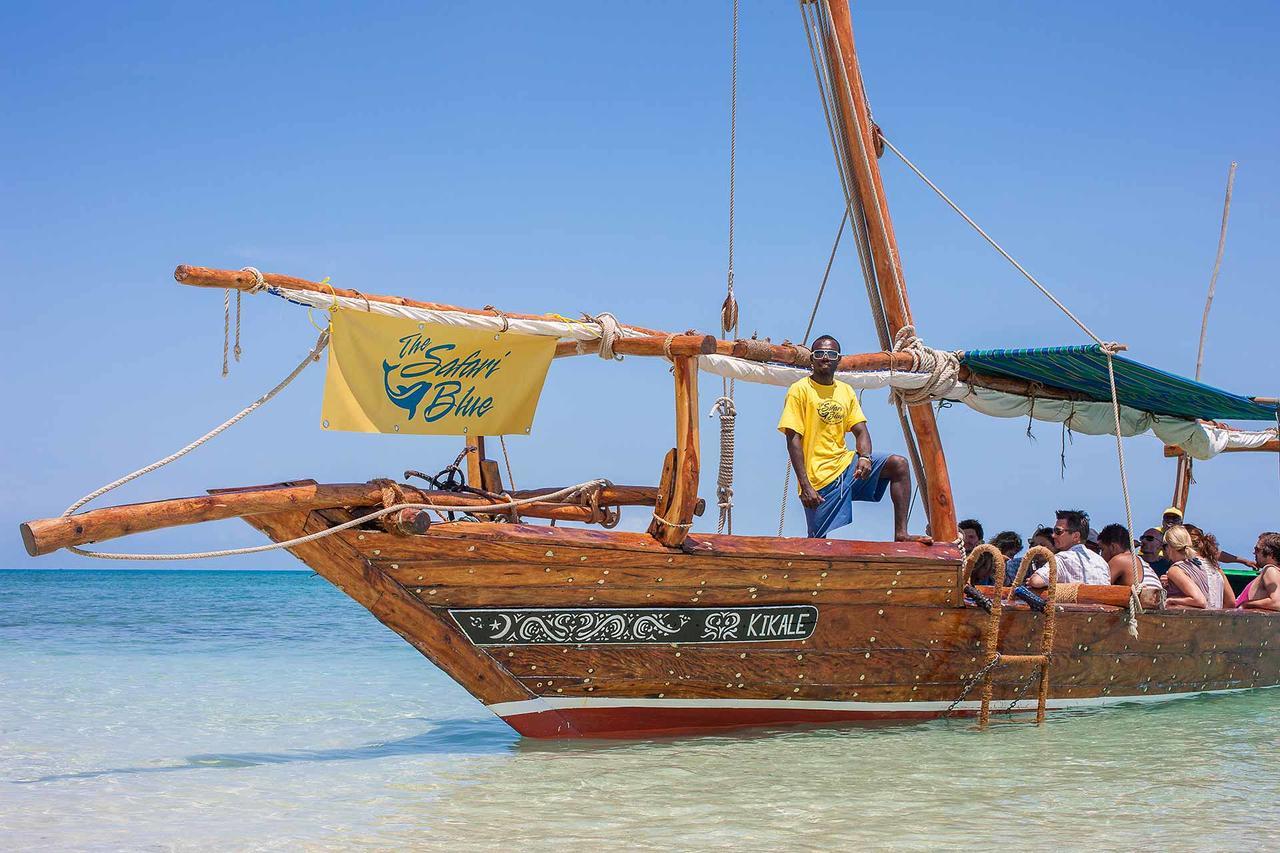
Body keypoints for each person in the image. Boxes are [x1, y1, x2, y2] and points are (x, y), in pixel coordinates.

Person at [778, 334, 929, 542]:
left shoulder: (845, 391)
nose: (825, 358)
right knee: (816, 541)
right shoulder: (799, 390)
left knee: (899, 465)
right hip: (818, 478)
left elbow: (861, 430)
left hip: (846, 465)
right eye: (819, 353)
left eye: (831, 354)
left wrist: (865, 457)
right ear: (811, 359)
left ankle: (901, 533)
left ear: (838, 359)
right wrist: (805, 485)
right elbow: (793, 439)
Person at [1028, 509, 1110, 588]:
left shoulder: (1063, 558)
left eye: (1058, 531)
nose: (1053, 535)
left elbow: (1036, 581)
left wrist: (1032, 579)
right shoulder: (1102, 562)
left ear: (1075, 536)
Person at [1161, 524, 1229, 609]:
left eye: (1164, 546)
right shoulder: (1201, 566)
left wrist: (1171, 600)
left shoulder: (1176, 570)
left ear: (1170, 546)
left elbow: (1199, 600)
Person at [1098, 523, 1160, 589]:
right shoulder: (1140, 561)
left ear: (1113, 547)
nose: (1101, 555)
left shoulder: (1120, 560)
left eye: (1102, 549)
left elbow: (1098, 587)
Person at [1237, 532, 1280, 611]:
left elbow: (1277, 603)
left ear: (1270, 554)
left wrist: (1245, 605)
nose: (1254, 553)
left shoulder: (1270, 570)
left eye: (1257, 549)